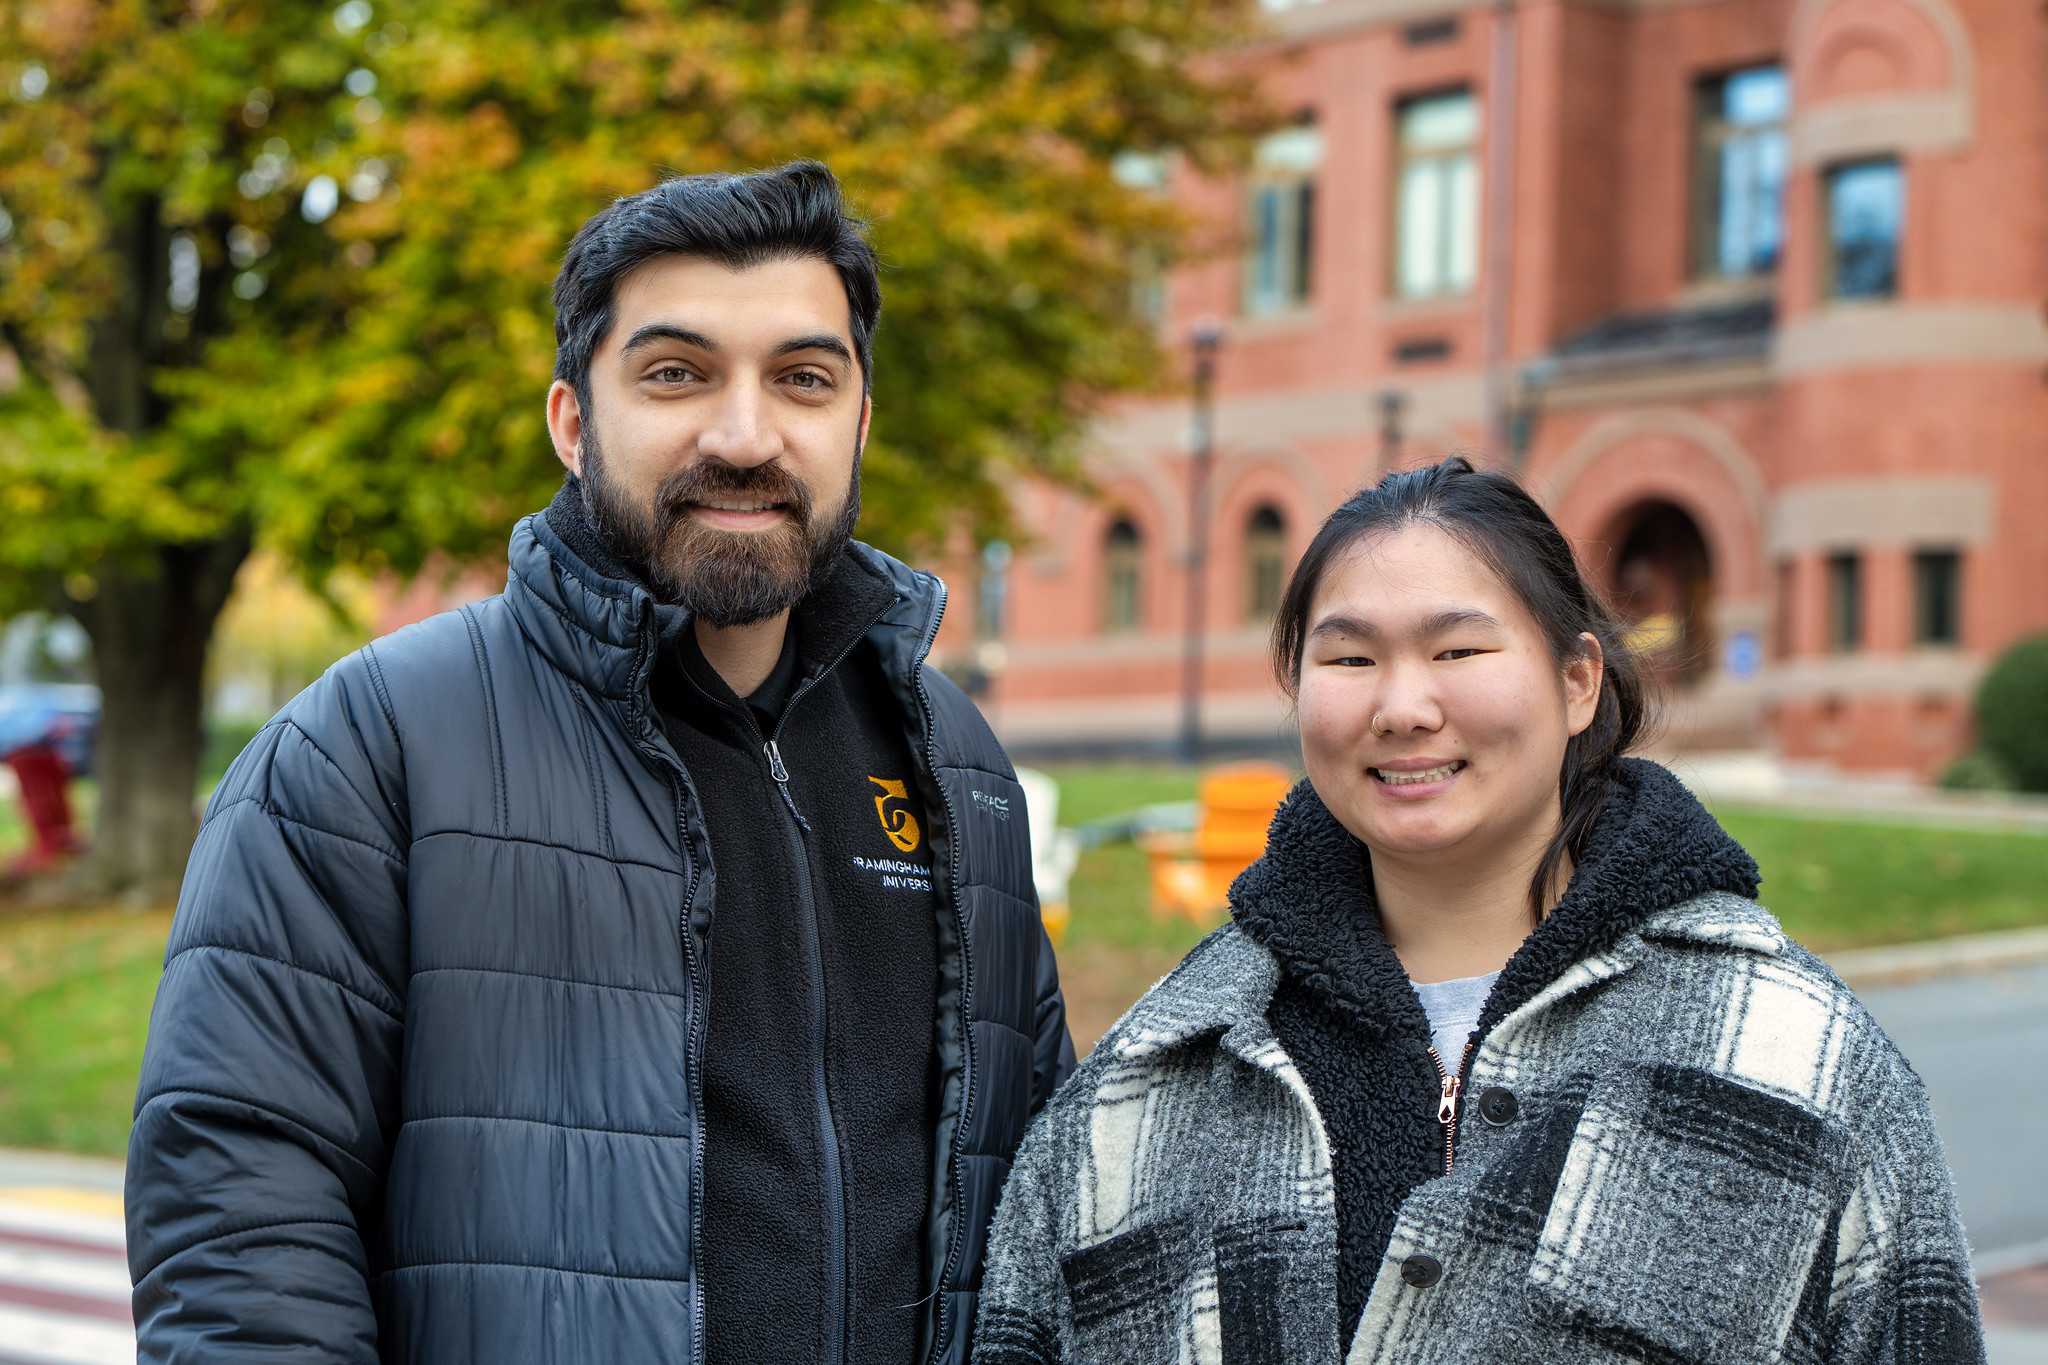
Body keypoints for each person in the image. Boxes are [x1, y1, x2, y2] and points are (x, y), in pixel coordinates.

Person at [127, 161, 1074, 1365]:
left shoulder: (956, 767)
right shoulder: (370, 748)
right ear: (573, 421)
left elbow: (1040, 1198)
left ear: (860, 422)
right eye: (675, 374)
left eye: (803, 379)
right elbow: (239, 1235)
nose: (744, 434)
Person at [974, 458, 1983, 1365]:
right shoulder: (1152, 1076)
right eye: (1348, 658)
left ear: (1577, 679)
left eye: (1456, 652)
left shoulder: (1791, 1058)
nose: (1402, 706)